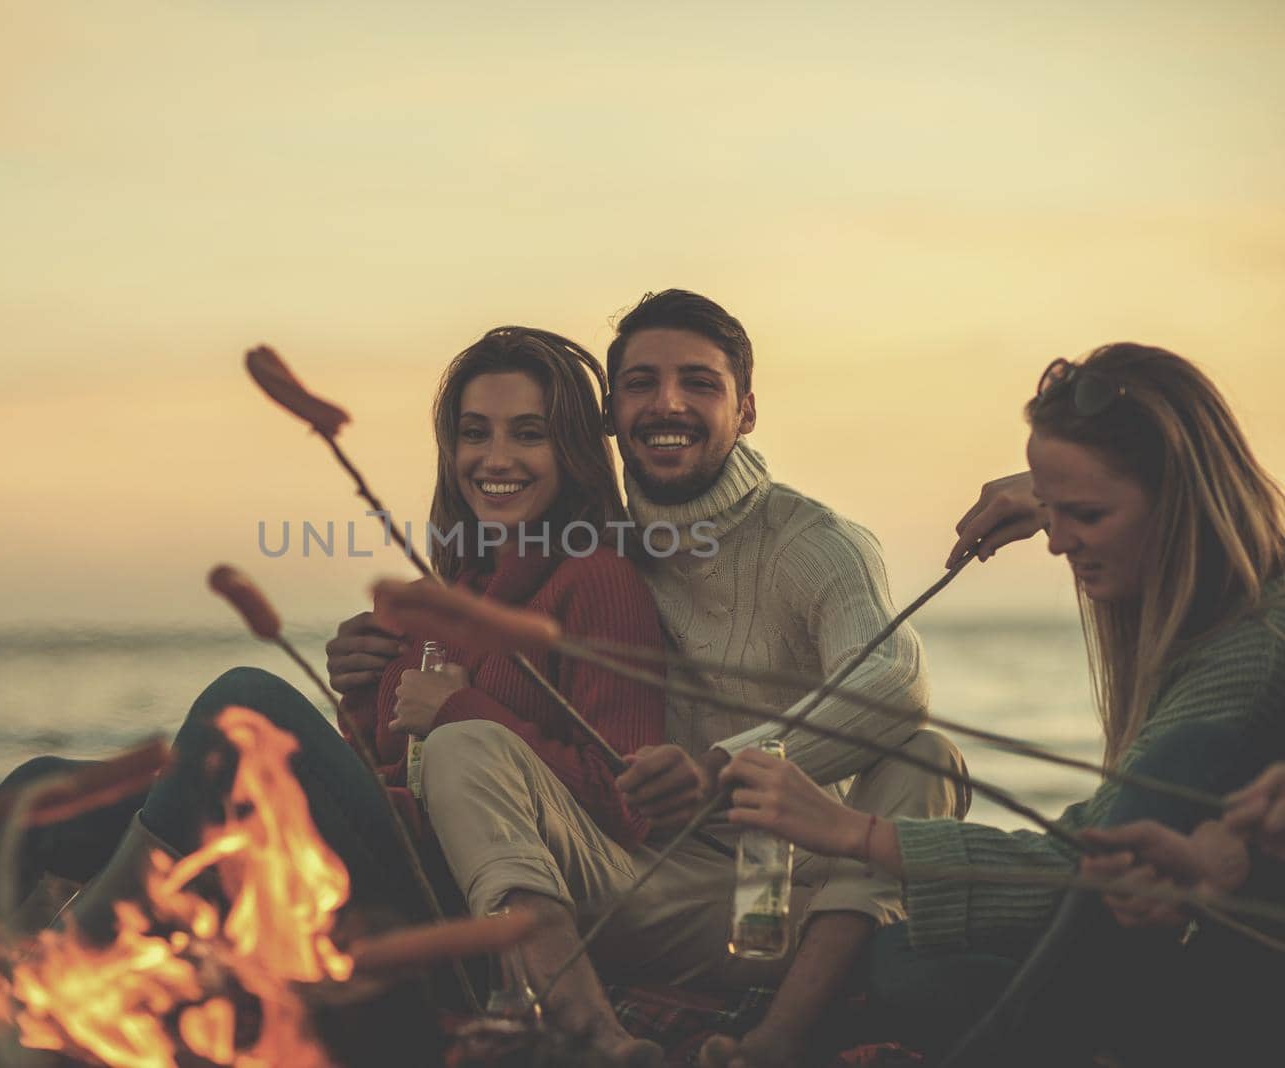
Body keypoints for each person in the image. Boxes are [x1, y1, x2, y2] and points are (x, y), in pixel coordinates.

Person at [0, 328, 668, 1039]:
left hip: (461, 912)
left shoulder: (595, 581)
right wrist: (358, 699)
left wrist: (461, 710)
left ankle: (63, 1001)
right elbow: (394, 773)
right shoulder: (446, 593)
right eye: (475, 433)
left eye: (527, 433)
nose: (495, 457)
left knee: (245, 704)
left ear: (569, 450)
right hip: (384, 864)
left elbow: (623, 811)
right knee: (50, 789)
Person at [328, 290, 967, 1068]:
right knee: (468, 744)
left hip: (800, 894)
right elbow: (499, 651)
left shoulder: (816, 545)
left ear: (748, 409)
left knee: (927, 756)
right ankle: (600, 1039)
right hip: (655, 887)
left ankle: (780, 1039)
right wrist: (381, 654)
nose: (668, 404)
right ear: (607, 416)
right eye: (640, 383)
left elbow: (894, 682)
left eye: (699, 382)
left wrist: (719, 770)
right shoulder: (596, 542)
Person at [718, 342, 1285, 1064]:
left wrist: (853, 832)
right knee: (905, 961)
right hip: (1174, 946)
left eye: (1085, 514)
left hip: (1236, 993)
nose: (1058, 542)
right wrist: (1050, 487)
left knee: (920, 973)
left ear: (1180, 503)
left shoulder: (1250, 650)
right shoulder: (1220, 604)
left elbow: (1078, 873)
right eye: (1053, 510)